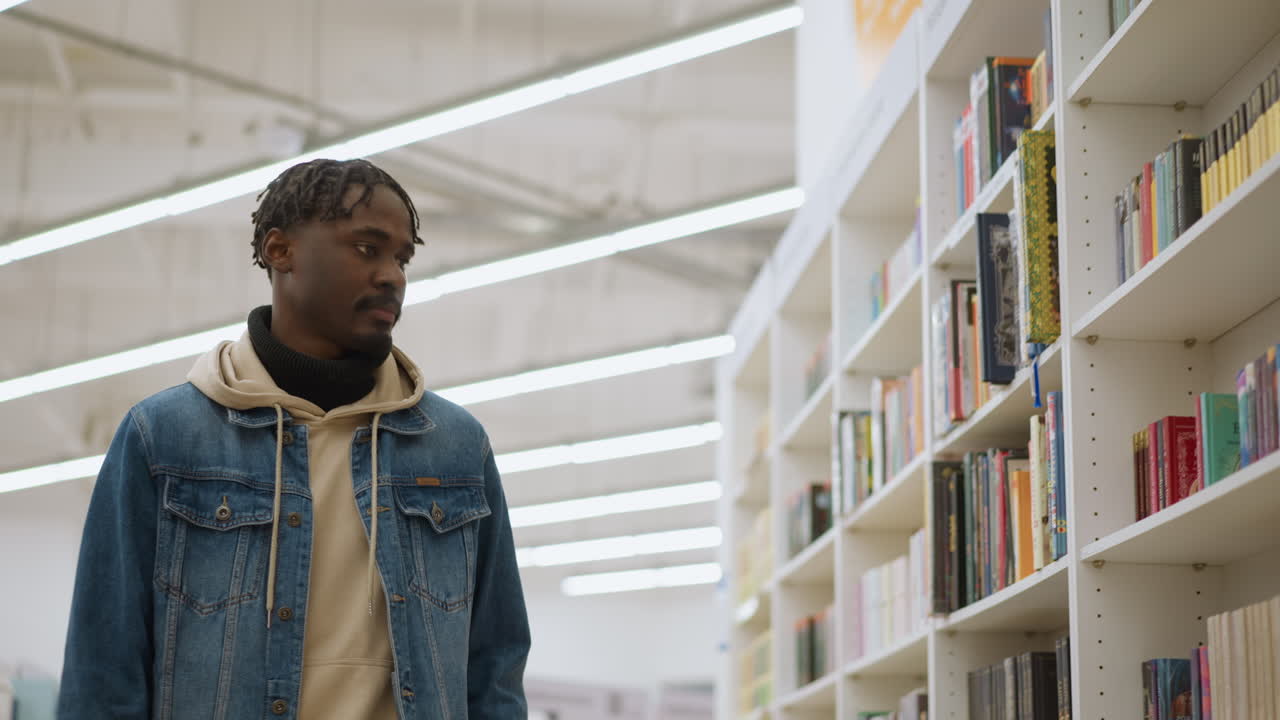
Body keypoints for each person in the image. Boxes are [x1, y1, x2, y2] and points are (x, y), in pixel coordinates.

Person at [56, 158, 531, 719]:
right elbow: (103, 672)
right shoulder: (165, 438)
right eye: (366, 248)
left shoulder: (454, 448)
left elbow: (494, 669)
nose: (393, 275)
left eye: (401, 257)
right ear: (281, 251)